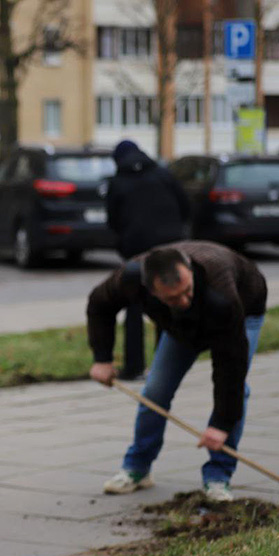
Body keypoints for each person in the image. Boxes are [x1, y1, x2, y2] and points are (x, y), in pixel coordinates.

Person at [86, 241, 267, 502]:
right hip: (180, 326)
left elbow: (230, 366)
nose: (183, 301)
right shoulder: (132, 277)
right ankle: (137, 468)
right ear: (150, 291)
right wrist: (102, 359)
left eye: (187, 291)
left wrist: (220, 424)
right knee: (155, 390)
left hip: (243, 312)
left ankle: (218, 476)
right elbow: (99, 303)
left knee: (237, 390)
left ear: (190, 271)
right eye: (172, 298)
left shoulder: (221, 293)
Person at [105, 140, 189, 381]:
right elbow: (185, 206)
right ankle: (165, 365)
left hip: (136, 250)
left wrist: (124, 241)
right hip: (170, 247)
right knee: (167, 302)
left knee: (134, 305)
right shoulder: (164, 175)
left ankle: (134, 366)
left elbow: (112, 220)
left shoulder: (118, 182)